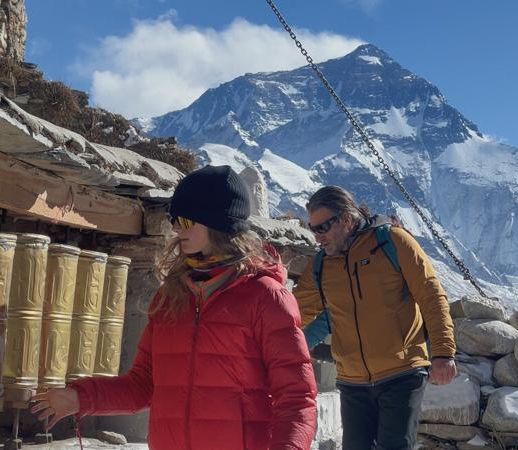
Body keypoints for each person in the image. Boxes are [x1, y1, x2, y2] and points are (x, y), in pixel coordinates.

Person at [31, 165, 318, 449]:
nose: (177, 228)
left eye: (187, 220)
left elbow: (296, 398)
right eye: (174, 220)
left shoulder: (265, 297)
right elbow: (143, 386)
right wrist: (81, 397)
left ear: (219, 223)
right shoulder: (171, 297)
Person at [293, 186, 457, 450]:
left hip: (402, 373)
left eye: (322, 228)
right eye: (313, 229)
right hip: (352, 382)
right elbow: (293, 312)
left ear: (346, 219)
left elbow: (431, 296)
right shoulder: (322, 265)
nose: (317, 238)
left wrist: (443, 353)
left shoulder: (392, 242)